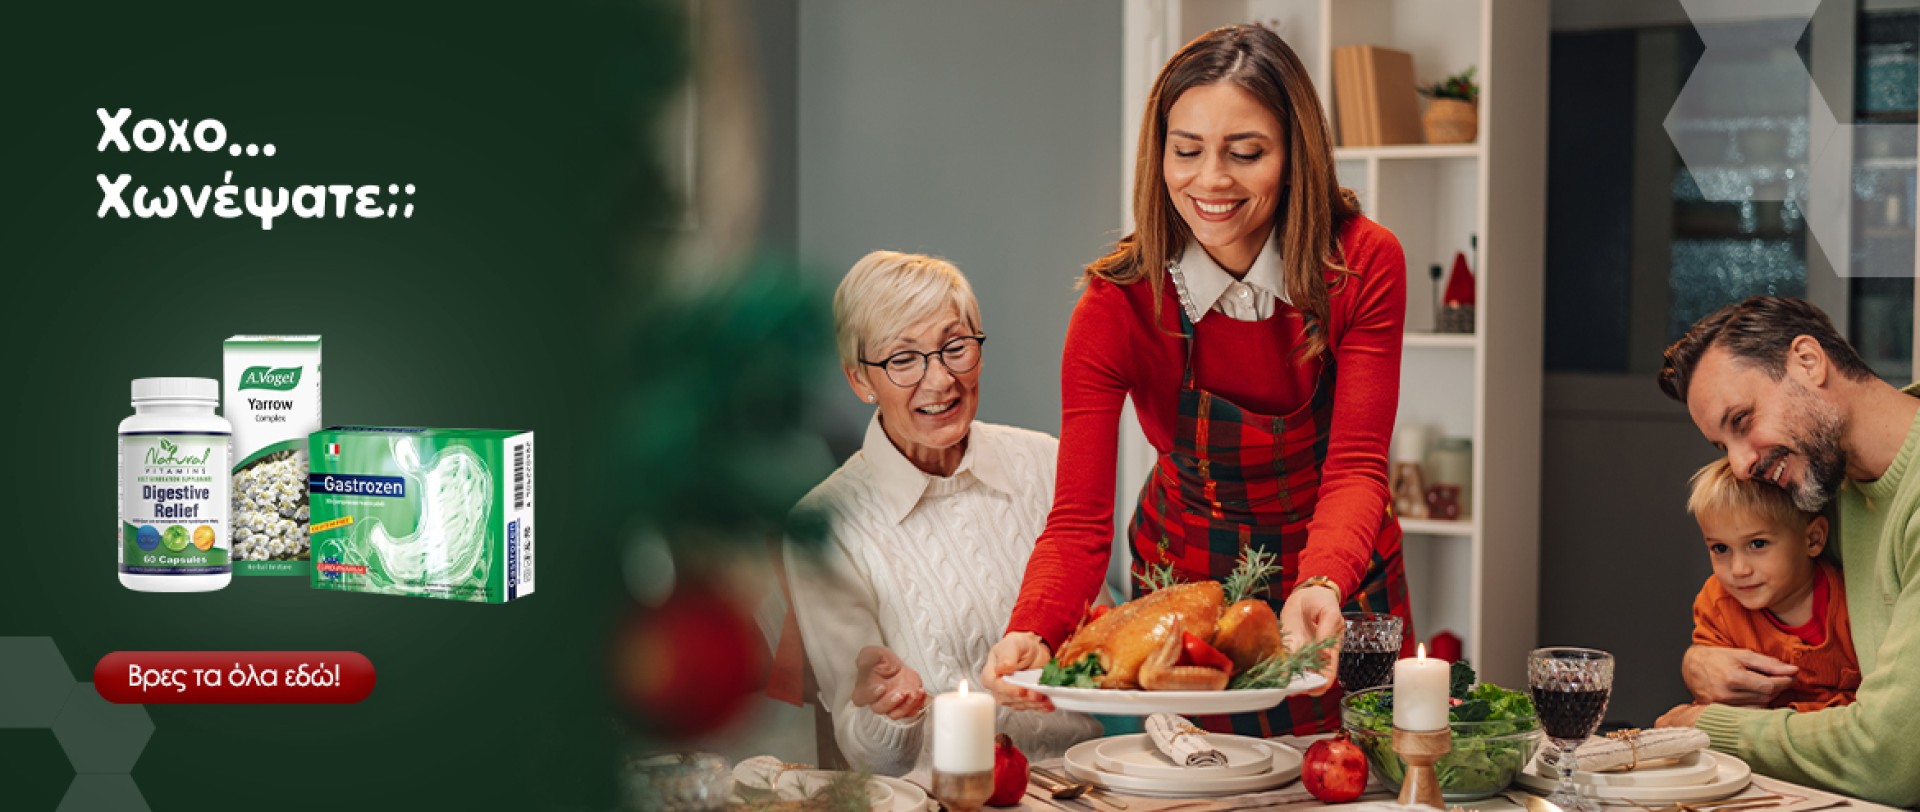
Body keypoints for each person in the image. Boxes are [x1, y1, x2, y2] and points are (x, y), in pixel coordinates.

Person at [980, 24, 1414, 738]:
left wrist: (1323, 578)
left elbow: (1357, 467)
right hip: (1186, 587)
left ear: (1295, 156)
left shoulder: (1363, 263)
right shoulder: (1115, 303)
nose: (1211, 180)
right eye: (1186, 151)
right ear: (1158, 155)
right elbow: (1080, 521)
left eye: (1246, 153)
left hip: (1337, 575)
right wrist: (1034, 628)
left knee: (1352, 772)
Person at [783, 250, 1101, 776]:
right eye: (903, 360)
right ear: (860, 380)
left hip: (1084, 787)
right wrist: (892, 712)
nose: (940, 381)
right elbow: (872, 757)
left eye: (955, 347)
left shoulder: (1047, 462)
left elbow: (1101, 650)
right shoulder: (826, 522)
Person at [1655, 295, 1920, 805]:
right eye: (1721, 447)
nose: (1738, 466)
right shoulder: (1830, 485)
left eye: (1742, 420)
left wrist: (1710, 726)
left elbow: (1889, 758)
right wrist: (1699, 662)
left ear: (1808, 362)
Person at [1682, 458, 1858, 713]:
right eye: (1720, 548)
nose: (1739, 570)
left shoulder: (1852, 603)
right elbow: (1713, 698)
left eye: (1758, 544)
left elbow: (1875, 709)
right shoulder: (1717, 604)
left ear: (1813, 539)